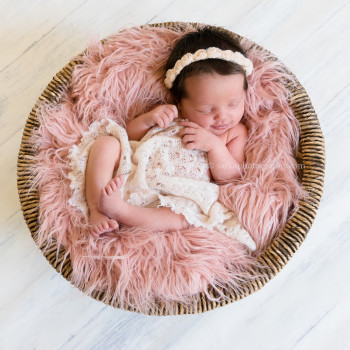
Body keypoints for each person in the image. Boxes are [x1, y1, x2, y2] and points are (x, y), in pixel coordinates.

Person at [85, 27, 254, 238]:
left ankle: (122, 211)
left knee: (183, 218)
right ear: (180, 103)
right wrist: (148, 120)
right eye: (207, 109)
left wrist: (214, 146)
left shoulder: (234, 132)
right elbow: (130, 137)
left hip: (179, 194)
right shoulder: (172, 116)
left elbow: (232, 177)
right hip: (136, 172)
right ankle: (96, 209)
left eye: (234, 104)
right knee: (106, 144)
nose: (223, 117)